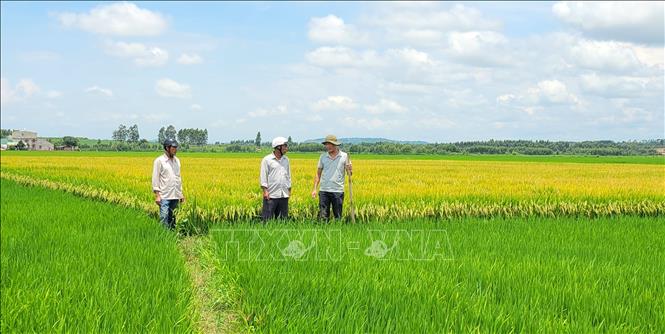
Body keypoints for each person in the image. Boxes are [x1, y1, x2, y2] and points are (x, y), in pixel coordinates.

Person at [311, 134, 352, 220]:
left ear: (335, 145)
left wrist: (350, 169)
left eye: (330, 144)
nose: (328, 146)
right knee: (323, 216)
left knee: (338, 216)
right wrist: (315, 188)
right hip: (324, 190)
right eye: (327, 144)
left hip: (337, 190)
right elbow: (318, 173)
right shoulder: (323, 156)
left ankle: (338, 231)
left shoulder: (344, 156)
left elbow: (349, 174)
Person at [151, 138, 185, 229]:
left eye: (176, 148)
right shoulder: (159, 161)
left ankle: (172, 236)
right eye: (173, 148)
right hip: (164, 195)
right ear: (167, 148)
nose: (175, 150)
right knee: (164, 217)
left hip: (175, 195)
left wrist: (181, 194)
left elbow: (178, 178)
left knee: (173, 217)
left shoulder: (177, 161)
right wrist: (157, 195)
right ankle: (164, 237)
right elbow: (155, 178)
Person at [260, 136, 291, 221]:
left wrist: (289, 189)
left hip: (283, 194)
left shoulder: (286, 160)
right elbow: (263, 176)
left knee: (283, 220)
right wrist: (265, 191)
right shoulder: (267, 160)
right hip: (271, 195)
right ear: (278, 147)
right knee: (267, 219)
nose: (286, 148)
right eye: (285, 146)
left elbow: (288, 175)